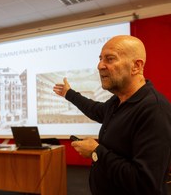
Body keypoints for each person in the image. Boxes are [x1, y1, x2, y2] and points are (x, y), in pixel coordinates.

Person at [53, 35, 171, 195]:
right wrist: (69, 94)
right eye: (100, 59)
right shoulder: (118, 100)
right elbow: (96, 110)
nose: (100, 65)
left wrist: (96, 151)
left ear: (136, 66)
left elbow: (145, 183)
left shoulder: (154, 110)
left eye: (110, 59)